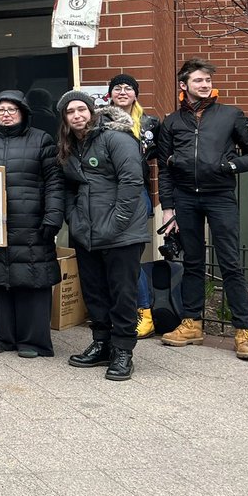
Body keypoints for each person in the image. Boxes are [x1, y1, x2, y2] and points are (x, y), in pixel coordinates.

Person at [157, 58, 248, 361]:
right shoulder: (171, 123)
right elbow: (164, 171)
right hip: (185, 199)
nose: (204, 85)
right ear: (184, 85)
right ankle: (192, 324)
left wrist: (228, 165)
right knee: (192, 262)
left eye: (207, 80)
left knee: (230, 263)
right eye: (198, 80)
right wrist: (168, 209)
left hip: (220, 197)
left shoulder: (231, 115)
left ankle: (243, 332)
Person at [0, 91, 64, 357]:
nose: (6, 114)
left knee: (32, 279)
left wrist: (54, 215)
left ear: (23, 113)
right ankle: (1, 336)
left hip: (31, 223)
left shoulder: (41, 140)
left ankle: (32, 341)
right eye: (1, 110)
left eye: (11, 109)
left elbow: (54, 181)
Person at [57, 92, 148, 381]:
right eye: (70, 111)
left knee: (122, 294)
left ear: (92, 110)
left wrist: (117, 222)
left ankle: (123, 351)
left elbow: (132, 181)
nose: (76, 115)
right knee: (95, 292)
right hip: (87, 233)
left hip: (122, 234)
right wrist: (73, 217)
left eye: (81, 108)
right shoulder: (71, 147)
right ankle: (102, 343)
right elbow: (70, 187)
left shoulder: (116, 138)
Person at [107, 73, 162, 339]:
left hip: (135, 191)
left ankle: (144, 311)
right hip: (105, 192)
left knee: (130, 256)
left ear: (136, 94)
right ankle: (119, 309)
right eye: (117, 88)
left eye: (128, 88)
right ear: (110, 94)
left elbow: (161, 158)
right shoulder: (101, 120)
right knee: (113, 256)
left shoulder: (150, 123)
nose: (123, 91)